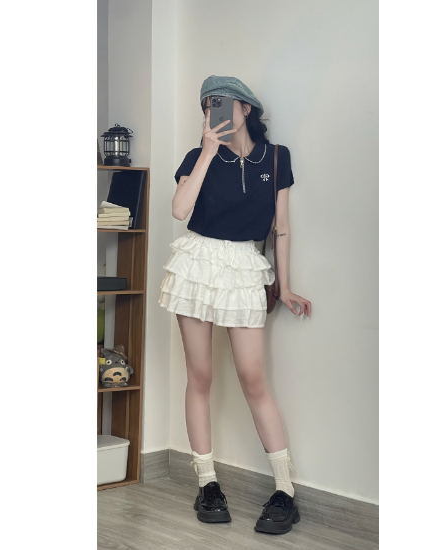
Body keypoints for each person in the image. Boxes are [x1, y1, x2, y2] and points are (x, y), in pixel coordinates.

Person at [158, 75, 312, 535]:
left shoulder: (277, 158)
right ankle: (207, 484)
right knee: (201, 375)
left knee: (252, 376)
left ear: (246, 108)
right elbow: (179, 210)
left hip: (245, 266)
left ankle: (284, 490)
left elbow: (281, 229)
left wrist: (285, 286)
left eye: (223, 103)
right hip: (197, 263)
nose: (216, 111)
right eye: (208, 105)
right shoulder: (197, 156)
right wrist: (207, 151)